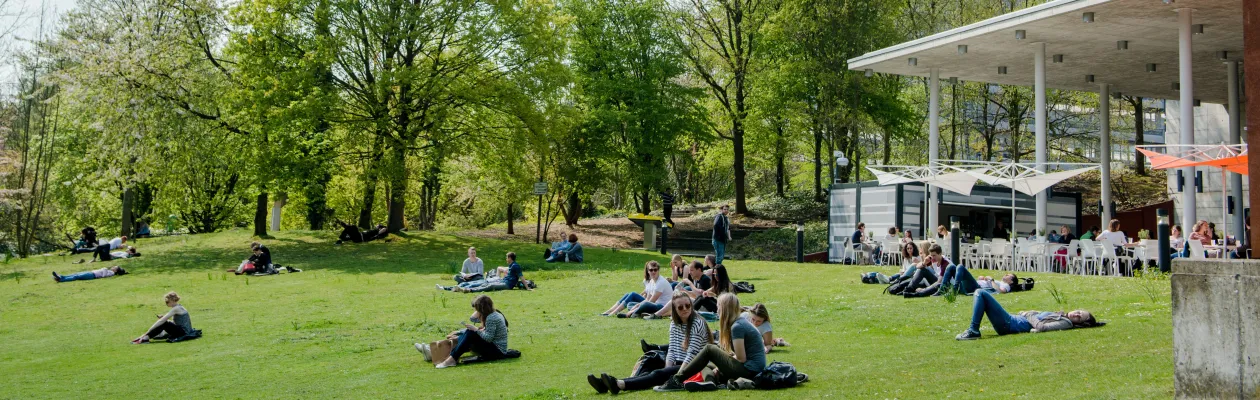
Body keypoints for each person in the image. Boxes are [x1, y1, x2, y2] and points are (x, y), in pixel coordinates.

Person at [588, 291, 711, 394]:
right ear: (674, 309)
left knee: (657, 373)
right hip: (678, 362)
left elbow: (691, 355)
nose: (685, 309)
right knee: (649, 362)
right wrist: (667, 369)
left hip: (692, 367)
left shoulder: (697, 323)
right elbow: (672, 350)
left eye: (688, 306)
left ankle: (620, 384)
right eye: (680, 307)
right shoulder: (674, 323)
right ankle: (607, 384)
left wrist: (676, 376)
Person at [655, 293, 765, 392]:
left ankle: (677, 380)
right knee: (704, 363)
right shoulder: (738, 323)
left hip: (750, 371)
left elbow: (741, 358)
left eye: (718, 307)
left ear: (725, 309)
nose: (717, 310)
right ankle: (710, 382)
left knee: (709, 349)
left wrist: (720, 367)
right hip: (749, 369)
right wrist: (720, 365)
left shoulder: (737, 327)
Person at [955, 291, 1098, 340]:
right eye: (1079, 311)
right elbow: (1039, 317)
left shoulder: (1066, 323)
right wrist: (1029, 312)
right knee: (981, 294)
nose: (1076, 314)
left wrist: (1028, 314)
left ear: (1080, 324)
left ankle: (973, 330)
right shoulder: (1062, 315)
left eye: (1080, 317)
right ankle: (973, 330)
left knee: (980, 293)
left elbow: (1041, 327)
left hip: (1010, 324)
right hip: (1012, 320)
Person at [433, 295, 510, 368]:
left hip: (497, 352)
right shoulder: (493, 314)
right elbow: (473, 319)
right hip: (495, 348)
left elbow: (488, 338)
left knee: (470, 333)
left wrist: (476, 329)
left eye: (476, 308)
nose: (475, 310)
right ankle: (451, 356)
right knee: (469, 332)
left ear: (481, 308)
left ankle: (451, 359)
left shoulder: (491, 318)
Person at [602, 261, 672, 317]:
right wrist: (636, 306)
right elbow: (647, 298)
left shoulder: (660, 282)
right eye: (651, 270)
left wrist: (633, 309)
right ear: (648, 271)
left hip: (662, 307)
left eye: (655, 270)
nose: (653, 272)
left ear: (658, 270)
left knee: (643, 303)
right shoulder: (651, 281)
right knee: (630, 304)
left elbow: (651, 301)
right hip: (653, 304)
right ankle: (612, 311)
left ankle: (625, 313)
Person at [451, 252, 528, 293]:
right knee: (486, 283)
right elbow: (501, 269)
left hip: (508, 285)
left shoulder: (515, 266)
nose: (506, 259)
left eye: (506, 258)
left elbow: (521, 277)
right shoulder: (511, 265)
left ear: (510, 258)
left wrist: (527, 288)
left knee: (491, 286)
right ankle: (465, 288)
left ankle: (469, 290)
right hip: (503, 281)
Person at [53, 266, 127, 283]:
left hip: (92, 275)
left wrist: (104, 269)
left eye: (115, 267)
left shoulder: (112, 273)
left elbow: (104, 275)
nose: (113, 267)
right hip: (91, 272)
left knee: (76, 276)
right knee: (76, 274)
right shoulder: (110, 271)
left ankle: (61, 279)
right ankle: (61, 276)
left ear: (116, 270)